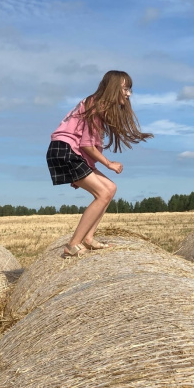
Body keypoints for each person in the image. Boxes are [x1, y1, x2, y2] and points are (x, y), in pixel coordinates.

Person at [46, 70, 153, 258]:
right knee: (102, 193)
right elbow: (86, 144)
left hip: (69, 150)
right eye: (125, 88)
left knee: (110, 188)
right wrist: (108, 163)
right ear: (113, 88)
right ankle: (73, 244)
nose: (128, 94)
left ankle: (88, 238)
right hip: (64, 150)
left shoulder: (96, 105)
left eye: (130, 89)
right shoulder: (96, 106)